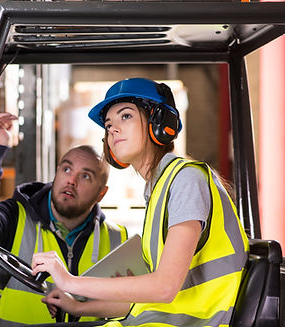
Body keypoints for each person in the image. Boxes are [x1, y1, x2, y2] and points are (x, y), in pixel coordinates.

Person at [31, 78, 250, 326]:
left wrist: (70, 280)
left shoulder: (186, 179)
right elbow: (147, 297)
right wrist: (79, 305)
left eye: (125, 116)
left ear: (160, 123)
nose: (113, 129)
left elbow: (165, 287)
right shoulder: (159, 189)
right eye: (109, 124)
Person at [0, 112, 128, 325]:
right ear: (56, 173)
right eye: (66, 169)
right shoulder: (16, 216)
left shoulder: (117, 239)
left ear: (100, 194)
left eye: (85, 176)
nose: (71, 181)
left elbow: (131, 310)